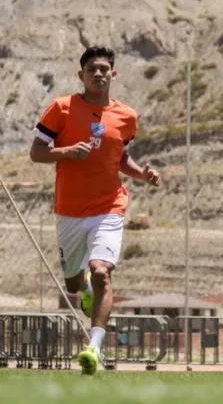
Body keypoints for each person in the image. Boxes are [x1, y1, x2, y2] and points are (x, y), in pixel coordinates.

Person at [29, 46, 161, 375]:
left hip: (109, 206)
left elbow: (120, 157)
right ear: (81, 75)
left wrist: (141, 174)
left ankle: (93, 347)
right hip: (69, 210)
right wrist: (67, 152)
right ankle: (84, 290)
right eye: (92, 69)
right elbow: (36, 153)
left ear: (113, 74)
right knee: (73, 284)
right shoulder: (60, 108)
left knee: (102, 271)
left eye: (104, 68)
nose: (98, 74)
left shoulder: (127, 116)